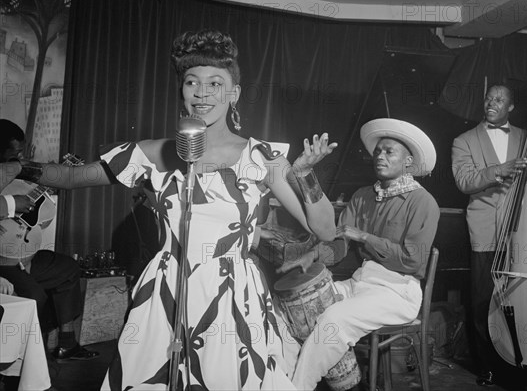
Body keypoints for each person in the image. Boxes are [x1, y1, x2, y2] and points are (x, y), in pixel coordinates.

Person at [11, 29, 338, 390]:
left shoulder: (261, 157)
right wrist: (15, 168)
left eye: (216, 83)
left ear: (235, 94)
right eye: (191, 82)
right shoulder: (153, 153)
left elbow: (324, 229)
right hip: (165, 289)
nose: (202, 92)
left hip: (231, 293)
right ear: (181, 90)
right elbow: (73, 177)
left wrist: (305, 175)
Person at [289, 118, 440, 390]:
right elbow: (339, 244)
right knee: (300, 311)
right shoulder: (362, 196)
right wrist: (312, 256)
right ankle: (278, 380)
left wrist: (364, 236)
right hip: (361, 283)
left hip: (398, 292)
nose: (380, 156)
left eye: (389, 151)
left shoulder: (423, 202)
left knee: (334, 319)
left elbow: (412, 260)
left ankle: (297, 388)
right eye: (378, 151)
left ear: (408, 162)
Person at [0, 119, 99, 362]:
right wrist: (11, 205)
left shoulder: (17, 171)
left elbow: (41, 219)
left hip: (26, 257)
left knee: (67, 269)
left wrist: (39, 201)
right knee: (35, 297)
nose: (19, 156)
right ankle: (18, 361)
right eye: (15, 151)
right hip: (4, 263)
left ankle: (67, 344)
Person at [452, 84, 527, 387]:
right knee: (484, 300)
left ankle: (518, 360)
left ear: (510, 106)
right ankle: (487, 365)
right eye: (488, 98)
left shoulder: (526, 137)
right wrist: (501, 169)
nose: (491, 103)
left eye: (499, 100)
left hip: (521, 230)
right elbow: (464, 180)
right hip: (484, 229)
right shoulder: (464, 140)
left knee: (520, 297)